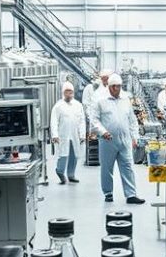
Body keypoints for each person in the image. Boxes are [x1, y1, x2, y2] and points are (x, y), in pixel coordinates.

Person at [92, 73, 145, 205]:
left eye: (119, 86)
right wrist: (103, 132)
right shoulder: (101, 100)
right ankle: (108, 193)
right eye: (115, 87)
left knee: (128, 167)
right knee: (106, 168)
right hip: (107, 141)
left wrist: (135, 137)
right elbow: (94, 120)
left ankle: (131, 194)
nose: (117, 89)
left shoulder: (125, 100)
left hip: (125, 140)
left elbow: (132, 120)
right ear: (110, 87)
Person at [50, 81, 86, 185]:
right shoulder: (58, 106)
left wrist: (82, 134)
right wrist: (55, 135)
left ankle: (71, 175)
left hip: (75, 135)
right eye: (67, 92)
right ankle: (60, 171)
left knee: (74, 155)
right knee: (63, 155)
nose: (69, 94)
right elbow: (54, 121)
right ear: (63, 92)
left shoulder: (78, 105)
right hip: (63, 134)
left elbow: (82, 121)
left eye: (71, 92)